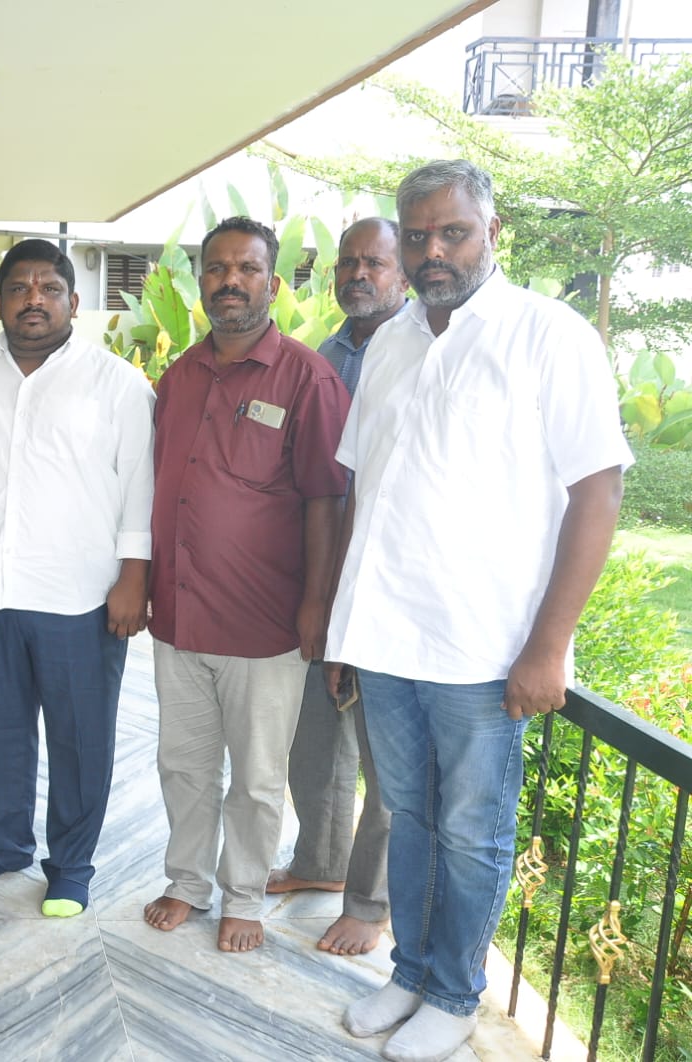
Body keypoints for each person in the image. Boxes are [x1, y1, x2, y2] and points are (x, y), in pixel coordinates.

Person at [329, 161, 630, 1062]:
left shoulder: (548, 335)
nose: (434, 251)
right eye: (417, 236)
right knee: (408, 817)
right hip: (387, 636)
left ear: (492, 232)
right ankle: (412, 972)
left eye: (452, 232)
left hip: (482, 648)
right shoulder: (390, 341)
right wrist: (347, 627)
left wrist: (549, 644)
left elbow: (598, 492)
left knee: (470, 831)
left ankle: (456, 994)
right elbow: (366, 492)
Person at [143, 216, 351, 953]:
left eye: (247, 269)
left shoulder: (307, 378)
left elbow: (327, 499)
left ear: (273, 282)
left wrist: (316, 603)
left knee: (258, 779)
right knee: (183, 767)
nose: (230, 281)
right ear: (200, 281)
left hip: (265, 623)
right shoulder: (179, 378)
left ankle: (243, 897)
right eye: (217, 268)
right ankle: (186, 883)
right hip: (179, 615)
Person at [0, 239, 153, 917]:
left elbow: (141, 485)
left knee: (79, 737)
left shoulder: (117, 383)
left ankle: (71, 865)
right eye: (19, 288)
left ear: (73, 301)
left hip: (80, 595)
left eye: (49, 288)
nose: (33, 300)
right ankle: (5, 844)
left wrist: (134, 577)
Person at [267, 217, 407, 956]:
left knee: (387, 753)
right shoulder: (327, 354)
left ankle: (369, 901)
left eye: (374, 263)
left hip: (387, 578)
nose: (358, 274)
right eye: (348, 262)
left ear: (403, 272)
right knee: (316, 734)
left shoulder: (418, 351)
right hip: (323, 572)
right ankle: (319, 860)